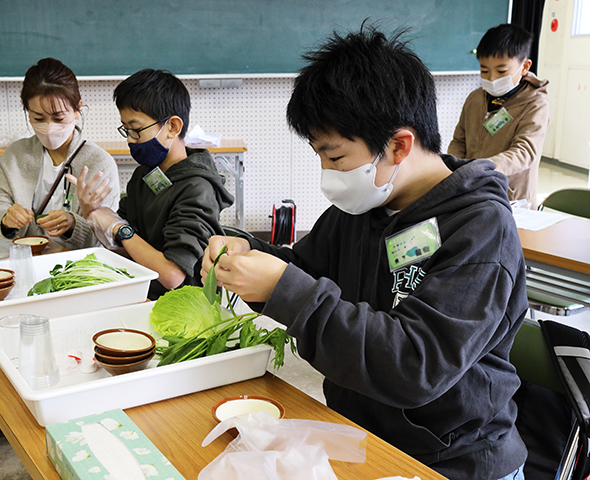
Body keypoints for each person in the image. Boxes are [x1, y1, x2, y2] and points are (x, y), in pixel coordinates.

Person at [201, 26, 528, 480]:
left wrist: (284, 289)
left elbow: (415, 365)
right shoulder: (368, 202)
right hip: (362, 432)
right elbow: (307, 272)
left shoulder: (480, 230)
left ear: (398, 145)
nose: (327, 174)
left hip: (452, 459)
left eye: (335, 158)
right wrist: (249, 252)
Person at [68, 69, 234, 300]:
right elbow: (127, 247)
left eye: (136, 130)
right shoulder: (146, 175)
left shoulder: (197, 188)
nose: (129, 139)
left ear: (173, 127)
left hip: (184, 307)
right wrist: (93, 213)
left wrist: (118, 228)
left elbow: (172, 275)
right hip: (143, 291)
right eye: (126, 130)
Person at [0, 57, 120, 249]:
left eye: (58, 118)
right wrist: (6, 218)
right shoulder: (15, 155)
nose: (49, 127)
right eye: (38, 118)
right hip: (27, 255)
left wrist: (72, 225)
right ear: (27, 112)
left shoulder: (99, 162)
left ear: (77, 109)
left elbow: (104, 234)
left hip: (78, 263)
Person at [448, 23, 549, 208]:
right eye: (484, 71)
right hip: (472, 188)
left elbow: (524, 152)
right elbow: (459, 141)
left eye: (501, 71)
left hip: (511, 198)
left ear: (525, 66)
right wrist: (455, 167)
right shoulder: (475, 98)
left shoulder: (535, 103)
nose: (492, 79)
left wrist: (479, 168)